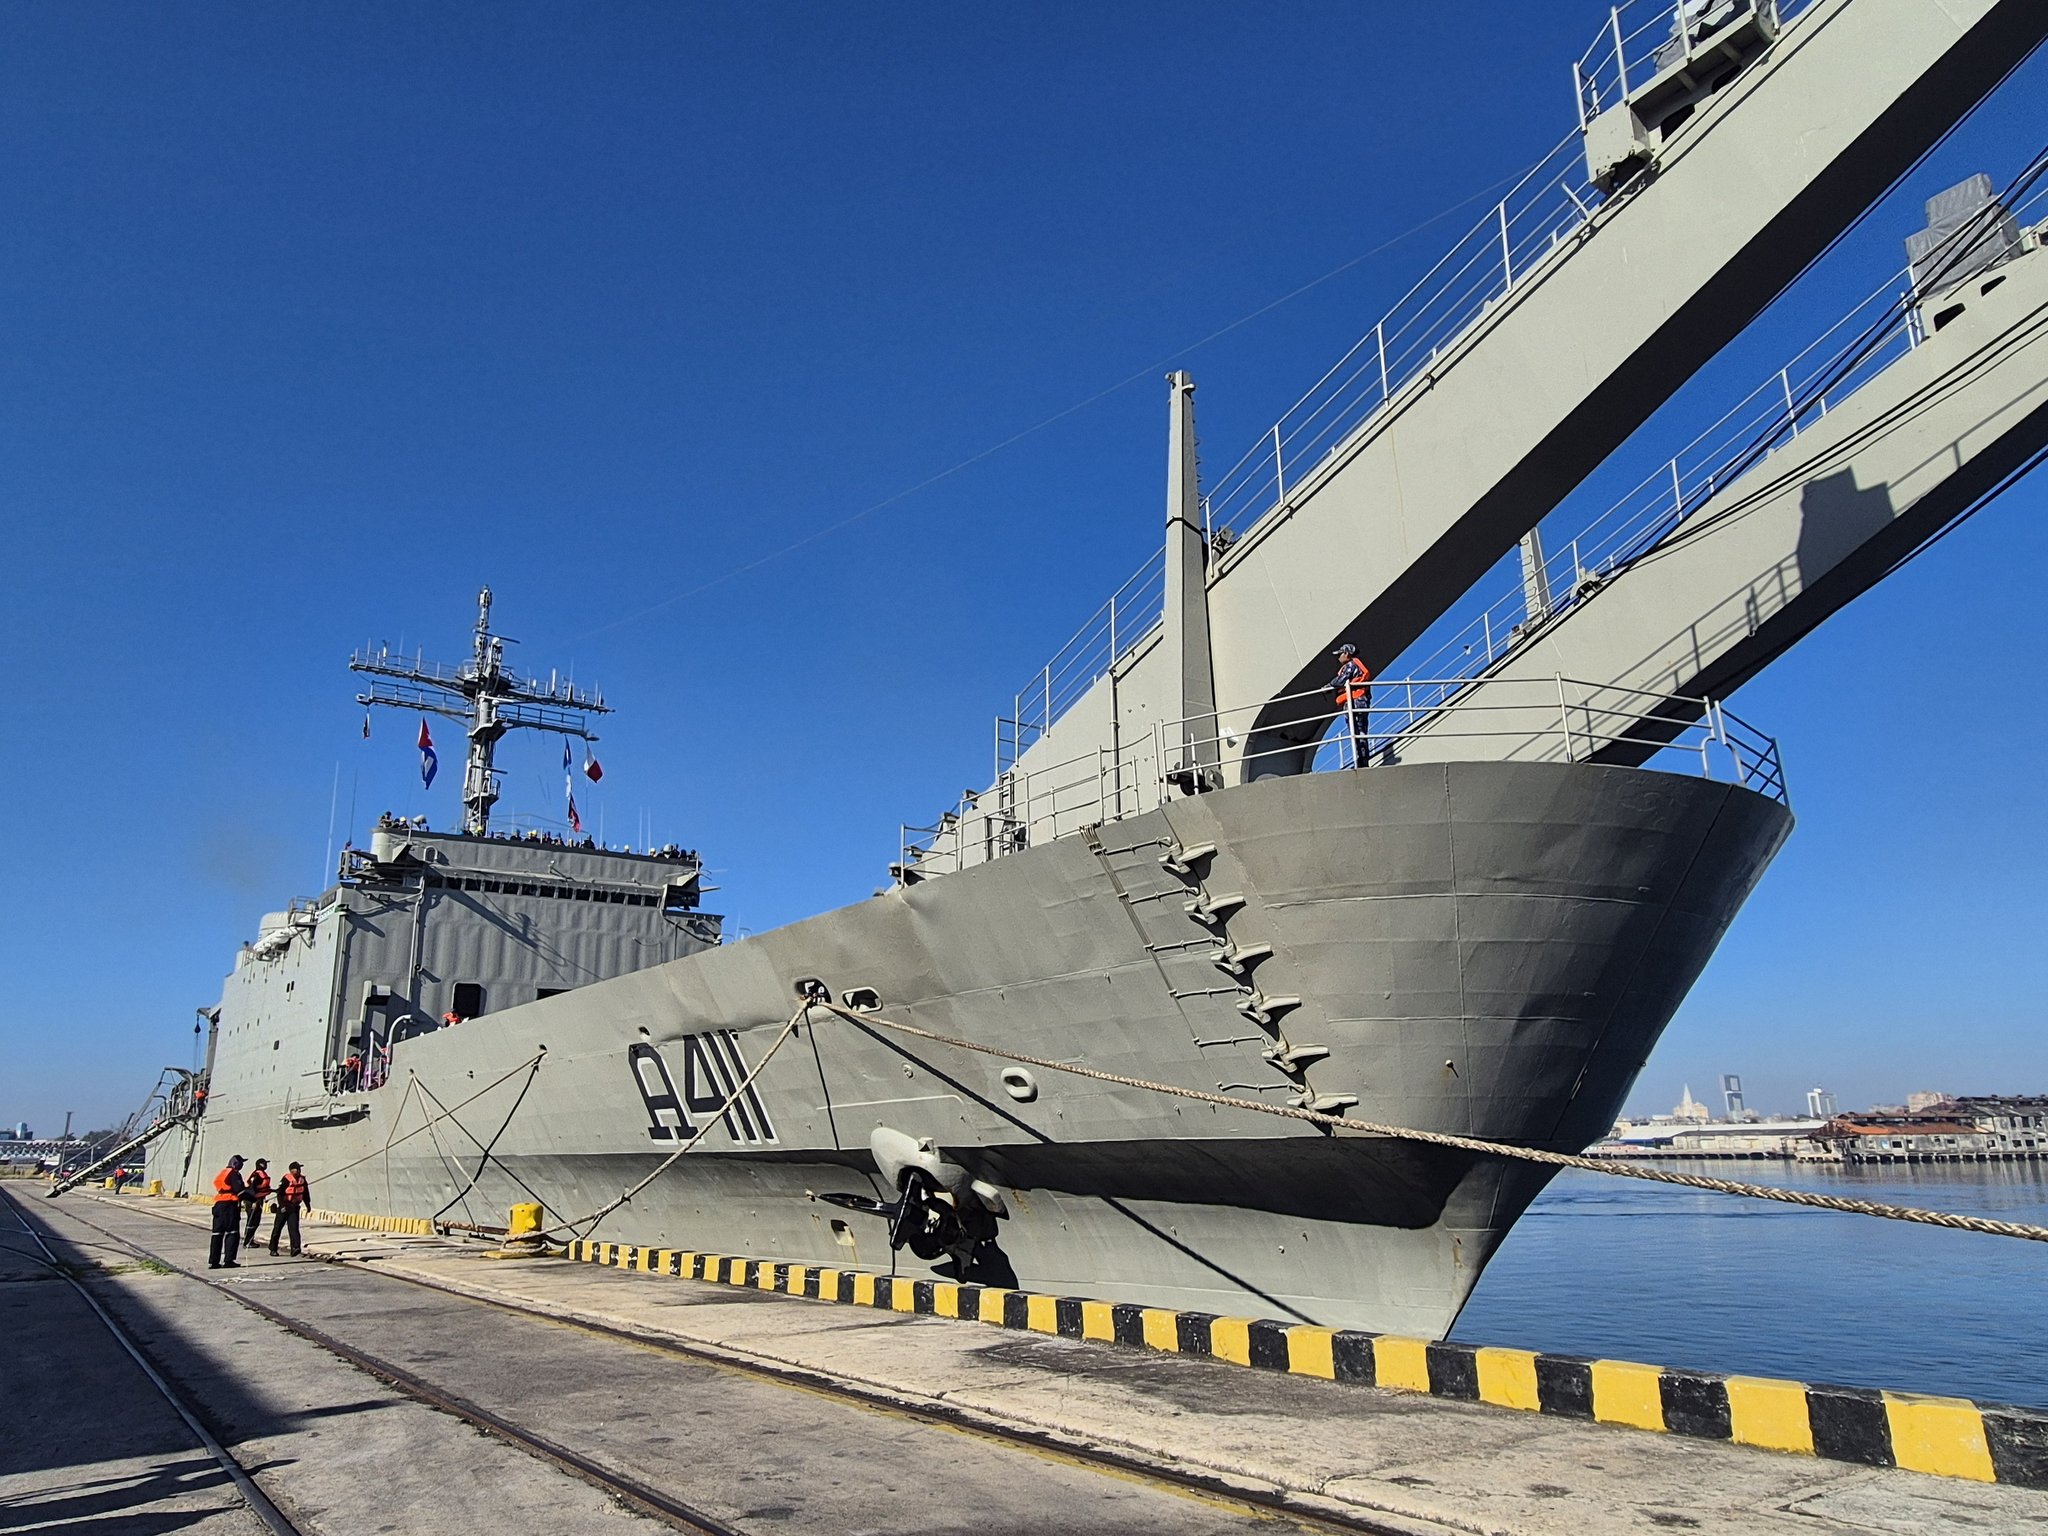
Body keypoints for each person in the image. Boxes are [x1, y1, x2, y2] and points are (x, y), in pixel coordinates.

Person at [1331, 643, 1374, 767]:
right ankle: (1362, 760)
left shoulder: (1350, 665)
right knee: (1361, 731)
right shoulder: (1357, 665)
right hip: (1361, 700)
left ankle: (1361, 761)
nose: (1339, 657)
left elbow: (1341, 680)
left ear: (1347, 654)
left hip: (1355, 702)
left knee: (1357, 731)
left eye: (1340, 654)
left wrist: (1329, 685)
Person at [210, 1155, 246, 1269]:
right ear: (236, 1164)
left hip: (218, 1205)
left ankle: (214, 1261)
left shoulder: (223, 1172)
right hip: (229, 1206)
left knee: (217, 1234)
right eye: (241, 1163)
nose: (242, 1165)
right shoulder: (234, 1174)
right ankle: (229, 1260)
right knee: (232, 1233)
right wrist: (252, 1197)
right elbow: (239, 1190)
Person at [269, 1162, 311, 1256]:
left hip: (294, 1207)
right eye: (297, 1169)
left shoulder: (302, 1180)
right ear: (292, 1170)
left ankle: (295, 1248)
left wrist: (308, 1205)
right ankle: (273, 1248)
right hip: (284, 1207)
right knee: (277, 1229)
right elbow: (280, 1193)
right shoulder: (286, 1179)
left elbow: (305, 1194)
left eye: (299, 1169)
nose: (299, 1171)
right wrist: (282, 1206)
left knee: (294, 1228)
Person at [241, 1158, 273, 1245]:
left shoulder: (258, 1174)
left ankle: (249, 1240)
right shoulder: (257, 1175)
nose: (266, 1165)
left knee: (254, 1221)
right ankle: (248, 1242)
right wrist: (255, 1201)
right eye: (265, 1164)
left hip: (257, 1200)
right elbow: (253, 1188)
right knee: (252, 1221)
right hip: (254, 1201)